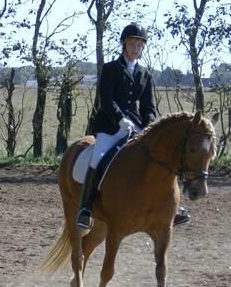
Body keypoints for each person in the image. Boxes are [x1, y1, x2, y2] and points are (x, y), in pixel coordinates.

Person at [76, 23, 190, 229]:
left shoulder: (145, 74)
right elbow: (106, 100)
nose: (135, 48)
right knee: (98, 158)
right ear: (124, 44)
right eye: (132, 43)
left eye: (139, 44)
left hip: (137, 126)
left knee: (163, 157)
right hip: (110, 125)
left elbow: (148, 106)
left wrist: (149, 127)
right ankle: (86, 208)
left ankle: (173, 206)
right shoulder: (110, 69)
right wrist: (120, 119)